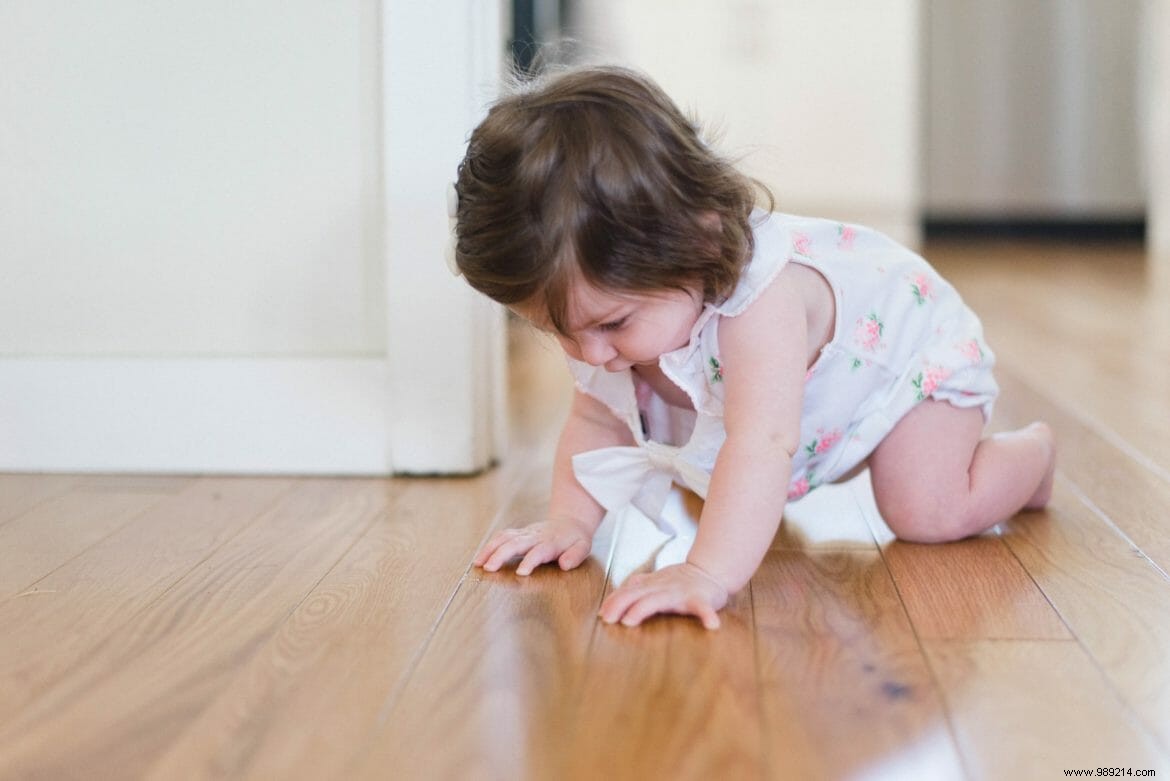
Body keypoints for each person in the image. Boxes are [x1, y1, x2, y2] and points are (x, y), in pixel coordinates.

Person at [453, 66, 1056, 630]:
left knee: (926, 511)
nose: (588, 353)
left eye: (612, 325)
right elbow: (597, 420)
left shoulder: (759, 306)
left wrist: (705, 572)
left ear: (699, 238)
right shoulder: (608, 316)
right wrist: (570, 522)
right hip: (817, 395)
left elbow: (763, 441)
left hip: (904, 362)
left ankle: (1032, 460)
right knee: (704, 467)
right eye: (558, 330)